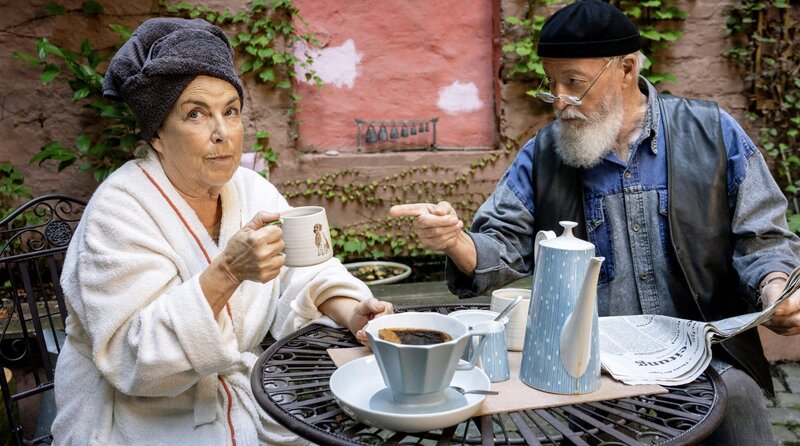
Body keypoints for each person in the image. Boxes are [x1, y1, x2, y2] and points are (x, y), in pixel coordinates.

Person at [390, 0, 800, 443]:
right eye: (552, 84)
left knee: (738, 399)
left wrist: (775, 289)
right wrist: (454, 240)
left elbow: (762, 237)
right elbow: (502, 245)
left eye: (574, 83)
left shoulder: (712, 131)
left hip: (704, 354)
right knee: (594, 425)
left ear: (626, 68)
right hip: (591, 364)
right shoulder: (544, 154)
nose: (560, 101)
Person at [51, 18, 391, 445]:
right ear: (156, 133)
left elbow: (303, 271)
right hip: (137, 418)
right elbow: (131, 359)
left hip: (246, 397)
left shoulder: (252, 191)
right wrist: (227, 272)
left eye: (231, 111)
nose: (222, 133)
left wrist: (351, 310)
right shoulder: (119, 210)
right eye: (196, 114)